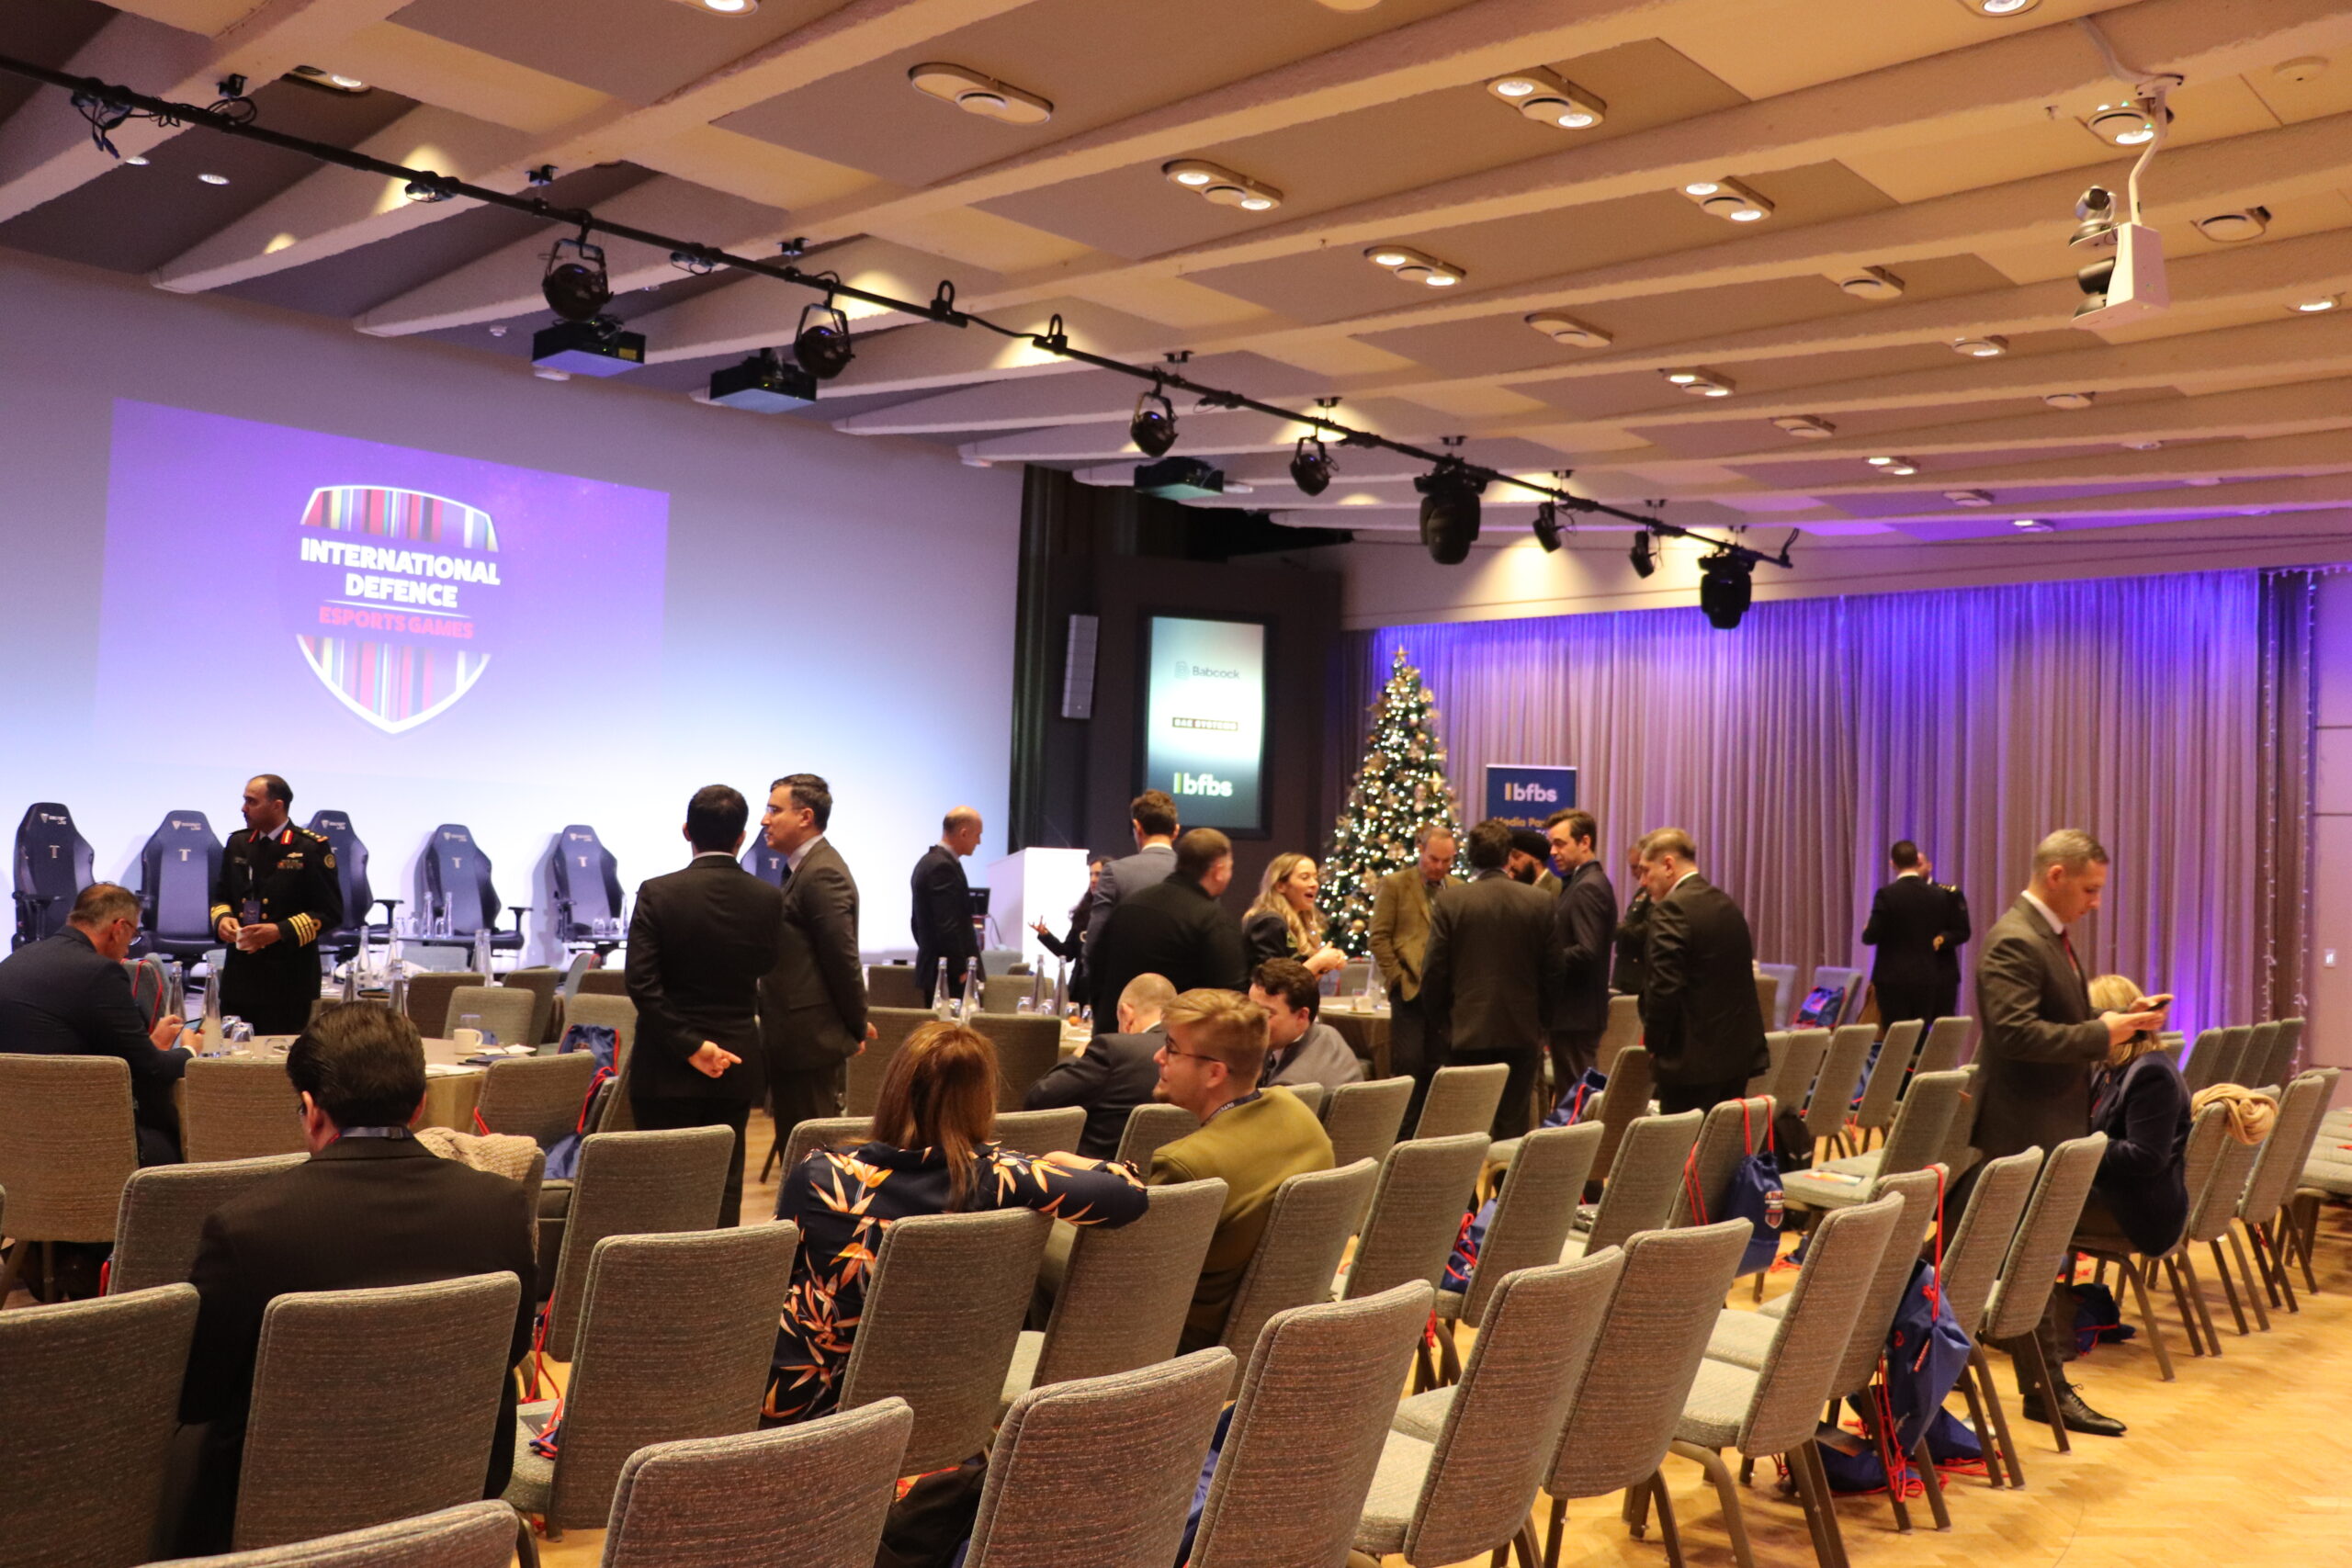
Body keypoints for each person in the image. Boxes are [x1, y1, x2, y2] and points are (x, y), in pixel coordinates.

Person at [175, 1003, 537, 1555]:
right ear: (420, 1105)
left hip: (276, 1513)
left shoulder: (246, 1229)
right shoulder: (499, 1206)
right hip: (452, 1496)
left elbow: (199, 1398)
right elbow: (512, 1351)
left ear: (310, 1110)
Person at [765, 1020, 1147, 1423]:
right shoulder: (1002, 1179)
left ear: (893, 1089)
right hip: (941, 1403)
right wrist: (1059, 1160)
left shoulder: (818, 1175)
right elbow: (1130, 1196)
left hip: (806, 1406)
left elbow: (771, 1283)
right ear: (982, 1100)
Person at [1964, 829, 2165, 1438]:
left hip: (2046, 1126)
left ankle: (2042, 1390)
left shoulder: (2047, 938)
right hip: (2020, 1129)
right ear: (2056, 875)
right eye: (2090, 889)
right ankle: (2038, 1389)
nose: (2096, 902)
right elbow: (2014, 1035)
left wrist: (2118, 1023)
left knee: (2021, 1265)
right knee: (2007, 1265)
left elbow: (2059, 1024)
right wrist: (2101, 1034)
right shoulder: (2014, 938)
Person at [625, 785, 786, 1226]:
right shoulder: (768, 898)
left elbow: (641, 983)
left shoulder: (657, 892)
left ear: (686, 831)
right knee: (725, 1186)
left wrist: (690, 1045)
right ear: (742, 838)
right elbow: (767, 967)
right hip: (734, 1061)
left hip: (665, 1065)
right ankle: (718, 1270)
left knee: (663, 1192)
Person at [1146, 987, 1334, 1352]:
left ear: (1214, 1072)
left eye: (1171, 1048)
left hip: (1185, 1346)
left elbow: (1139, 1281)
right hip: (1280, 1334)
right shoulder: (1297, 1114)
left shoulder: (1185, 1163)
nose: (1158, 1057)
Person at [0, 882, 189, 1167]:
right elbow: (152, 1069)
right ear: (120, 928)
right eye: (133, 936)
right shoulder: (100, 972)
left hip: (15, 1141)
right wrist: (190, 1050)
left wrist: (149, 1045)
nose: (128, 949)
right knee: (184, 1137)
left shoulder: (16, 960)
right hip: (84, 1140)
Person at [1421, 818, 1557, 1139]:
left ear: (1469, 856)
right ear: (1509, 856)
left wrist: (1443, 1024)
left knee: (1466, 1128)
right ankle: (1505, 1175)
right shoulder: (1539, 901)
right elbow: (1553, 971)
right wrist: (1541, 1024)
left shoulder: (1452, 901)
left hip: (1466, 1031)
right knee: (1513, 1128)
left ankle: (1468, 1177)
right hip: (1521, 1030)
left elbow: (1434, 971)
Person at [758, 774, 873, 1133]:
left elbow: (842, 958)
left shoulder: (822, 872)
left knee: (808, 1152)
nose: (764, 820)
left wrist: (855, 1026)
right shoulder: (804, 867)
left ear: (805, 817)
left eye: (774, 810)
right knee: (800, 1146)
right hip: (798, 1041)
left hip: (809, 1044)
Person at [1636, 828, 1770, 1115]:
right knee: (1720, 1144)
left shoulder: (1672, 909)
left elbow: (1664, 988)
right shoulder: (1726, 904)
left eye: (1646, 871)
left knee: (1683, 1144)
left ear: (1668, 865)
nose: (1643, 882)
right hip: (1735, 1058)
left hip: (1689, 1062)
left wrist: (1655, 1045)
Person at [208, 773, 342, 1036]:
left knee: (279, 1055)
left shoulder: (310, 848)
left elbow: (330, 912)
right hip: (240, 977)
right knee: (232, 1052)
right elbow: (221, 896)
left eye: (252, 801)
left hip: (288, 980)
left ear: (277, 805)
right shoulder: (238, 843)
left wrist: (279, 931)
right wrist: (222, 919)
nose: (243, 808)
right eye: (244, 800)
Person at [2077, 973, 2193, 1259]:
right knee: (2025, 1201)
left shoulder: (2151, 1074)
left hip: (2139, 1213)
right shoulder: (2108, 1068)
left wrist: (2082, 1147)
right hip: (2117, 1195)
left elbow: (2146, 1156)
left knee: (2027, 1211)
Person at [1086, 828, 1248, 1013]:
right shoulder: (1213, 922)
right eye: (1230, 867)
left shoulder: (1128, 907)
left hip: (1117, 1026)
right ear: (1218, 870)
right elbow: (1232, 1002)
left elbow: (1096, 967)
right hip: (1176, 1029)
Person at [1023, 973, 1175, 1159]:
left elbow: (1038, 1099)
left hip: (1099, 1172)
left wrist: (1076, 1056)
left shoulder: (1114, 1050)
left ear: (1125, 1013)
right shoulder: (1190, 1054)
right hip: (1169, 1172)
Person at [1369, 824, 1460, 1132]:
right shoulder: (1395, 885)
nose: (1440, 867)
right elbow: (1378, 938)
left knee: (1439, 1068)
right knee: (1408, 1067)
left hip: (1445, 997)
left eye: (1447, 861)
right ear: (1420, 850)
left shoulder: (1458, 888)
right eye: (1434, 859)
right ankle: (1402, 1139)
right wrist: (1397, 977)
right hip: (1409, 992)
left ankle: (1433, 1135)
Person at [1544, 808, 1617, 1093]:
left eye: (1560, 843)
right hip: (1575, 1013)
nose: (1553, 851)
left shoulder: (1588, 886)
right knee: (1574, 1098)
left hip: (1576, 1014)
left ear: (1585, 842)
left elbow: (1587, 950)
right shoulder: (1583, 881)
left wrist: (1543, 959)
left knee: (1577, 1100)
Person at [1862, 840, 1966, 1028]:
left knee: (1896, 1036)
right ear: (1916, 862)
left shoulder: (1886, 895)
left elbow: (1870, 937)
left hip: (1893, 978)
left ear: (1892, 863)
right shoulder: (1938, 895)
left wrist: (1868, 929)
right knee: (1920, 1033)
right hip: (1927, 976)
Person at [1080, 789, 1180, 963]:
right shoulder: (1196, 875)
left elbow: (1094, 946)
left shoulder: (1115, 873)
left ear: (1137, 827)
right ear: (1176, 831)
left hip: (1125, 979)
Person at [1250, 958, 1366, 1089]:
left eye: (1266, 1014)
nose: (1252, 1021)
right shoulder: (1328, 1033)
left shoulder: (1290, 1086)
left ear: (1302, 1016)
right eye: (1250, 1008)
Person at [910, 807, 985, 1006]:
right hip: (949, 977)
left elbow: (916, 923)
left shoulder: (929, 862)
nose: (979, 842)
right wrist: (960, 970)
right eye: (977, 835)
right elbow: (947, 925)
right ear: (964, 833)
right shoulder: (942, 866)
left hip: (939, 971)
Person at [1242, 852, 1347, 974]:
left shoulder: (1298, 922)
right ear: (1280, 886)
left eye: (1315, 878)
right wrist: (1319, 961)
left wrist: (1327, 963)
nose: (1314, 884)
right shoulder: (1269, 923)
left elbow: (1303, 980)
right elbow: (1273, 981)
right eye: (1305, 877)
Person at [1611, 843, 1653, 998]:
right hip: (1626, 973)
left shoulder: (1656, 895)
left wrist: (1614, 929)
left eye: (1636, 867)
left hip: (1638, 975)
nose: (1633, 873)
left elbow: (1647, 929)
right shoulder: (1642, 892)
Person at [1507, 828, 1561, 894]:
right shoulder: (1518, 887)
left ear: (1536, 858)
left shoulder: (1558, 888)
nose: (1511, 864)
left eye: (1516, 857)